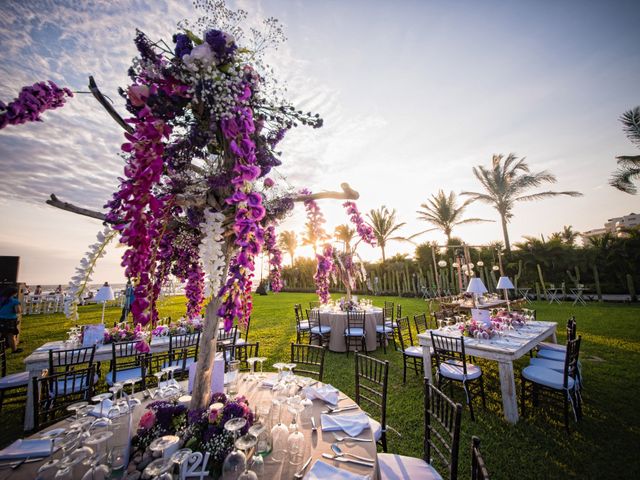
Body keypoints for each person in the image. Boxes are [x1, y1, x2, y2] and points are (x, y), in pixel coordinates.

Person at [0, 286, 22, 353]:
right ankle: (14, 350)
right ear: (13, 293)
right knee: (11, 336)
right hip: (10, 320)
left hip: (0, 319)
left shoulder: (1, 300)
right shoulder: (14, 301)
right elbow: (17, 311)